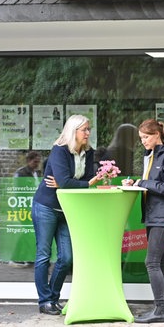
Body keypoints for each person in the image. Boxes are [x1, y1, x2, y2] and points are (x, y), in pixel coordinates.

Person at [31, 115, 101, 316]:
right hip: (46, 206)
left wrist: (70, 182)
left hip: (67, 209)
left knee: (67, 257)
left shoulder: (88, 152)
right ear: (73, 131)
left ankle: (53, 297)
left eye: (89, 129)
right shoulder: (59, 151)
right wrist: (83, 183)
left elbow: (73, 180)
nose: (88, 133)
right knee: (43, 255)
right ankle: (44, 301)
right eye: (84, 130)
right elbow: (72, 181)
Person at [122, 119, 164, 323]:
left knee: (151, 262)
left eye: (146, 137)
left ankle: (159, 309)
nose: (143, 142)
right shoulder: (150, 156)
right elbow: (153, 183)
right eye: (141, 138)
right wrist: (135, 183)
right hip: (154, 214)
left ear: (157, 135)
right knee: (161, 262)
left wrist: (143, 183)